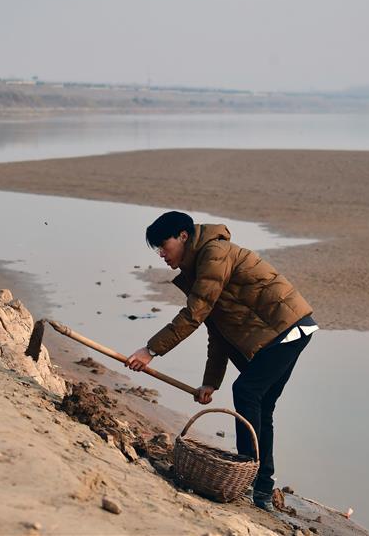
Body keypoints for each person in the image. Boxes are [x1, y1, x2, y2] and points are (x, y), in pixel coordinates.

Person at [125, 211, 317, 511]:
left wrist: (151, 350)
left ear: (183, 236)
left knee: (247, 392)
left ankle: (249, 474)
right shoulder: (198, 266)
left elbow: (195, 313)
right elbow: (218, 330)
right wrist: (210, 383)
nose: (161, 253)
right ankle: (262, 487)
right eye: (158, 249)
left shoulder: (214, 253)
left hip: (286, 327)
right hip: (279, 331)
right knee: (260, 403)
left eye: (164, 245)